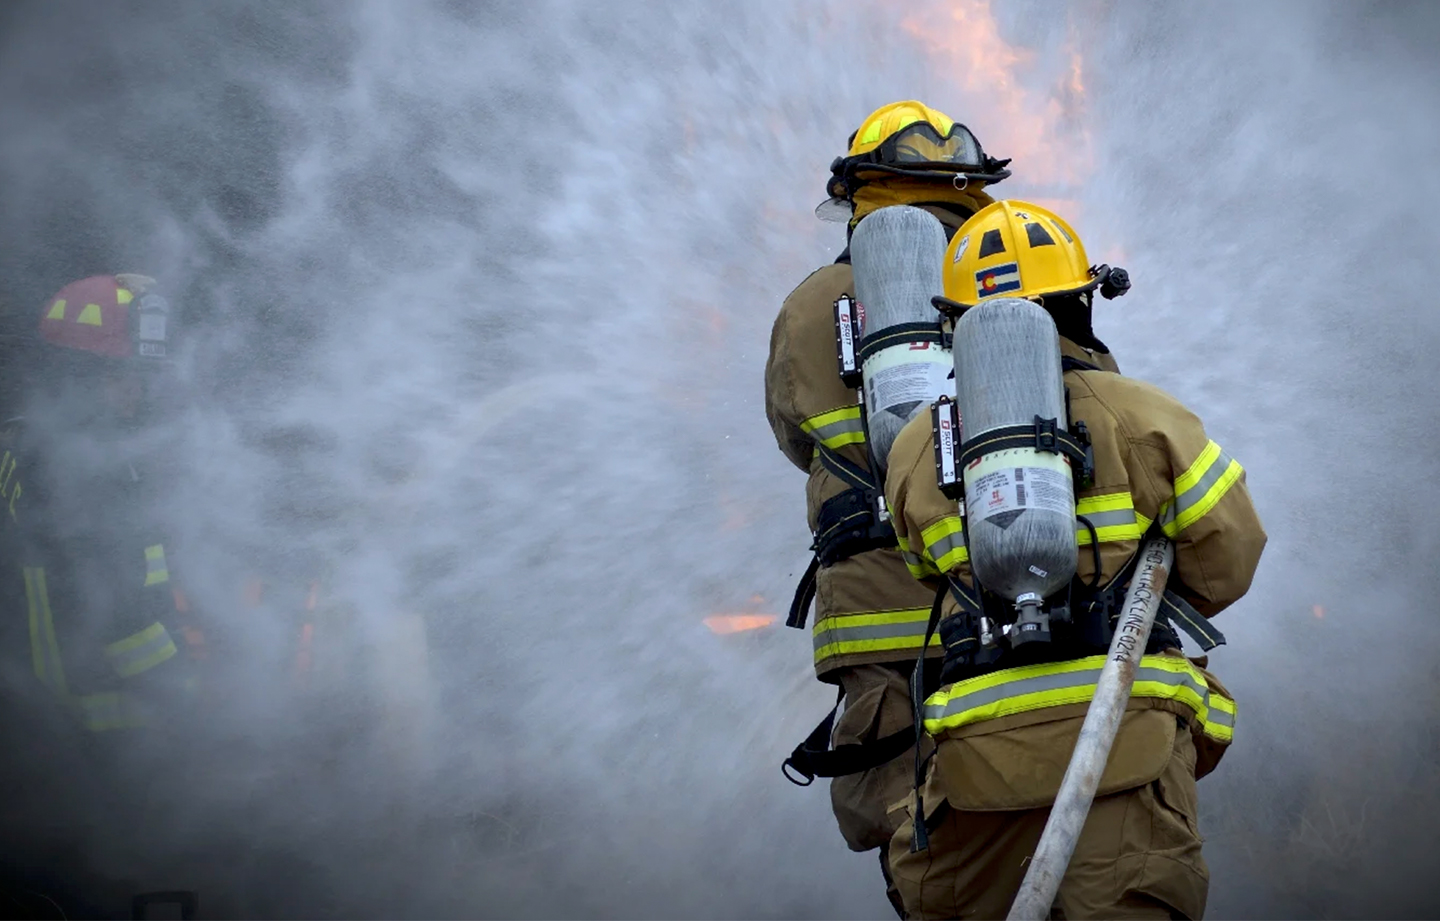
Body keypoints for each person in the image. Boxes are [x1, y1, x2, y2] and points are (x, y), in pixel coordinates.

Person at [882, 200, 1266, 919]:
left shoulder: (913, 451)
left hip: (975, 765)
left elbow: (921, 569)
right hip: (1121, 743)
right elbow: (1230, 560)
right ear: (1080, 302)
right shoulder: (1142, 415)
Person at [765, 101, 1054, 914]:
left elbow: (796, 435)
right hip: (1002, 578)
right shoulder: (1013, 283)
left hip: (871, 608)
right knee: (1027, 791)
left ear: (861, 195)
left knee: (911, 822)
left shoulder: (812, 301)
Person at [0, 273, 200, 916]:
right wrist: (193, 696)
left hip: (31, 741)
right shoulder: (88, 468)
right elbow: (116, 617)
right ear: (80, 375)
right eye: (126, 376)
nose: (139, 392)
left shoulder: (17, 445)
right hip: (98, 739)